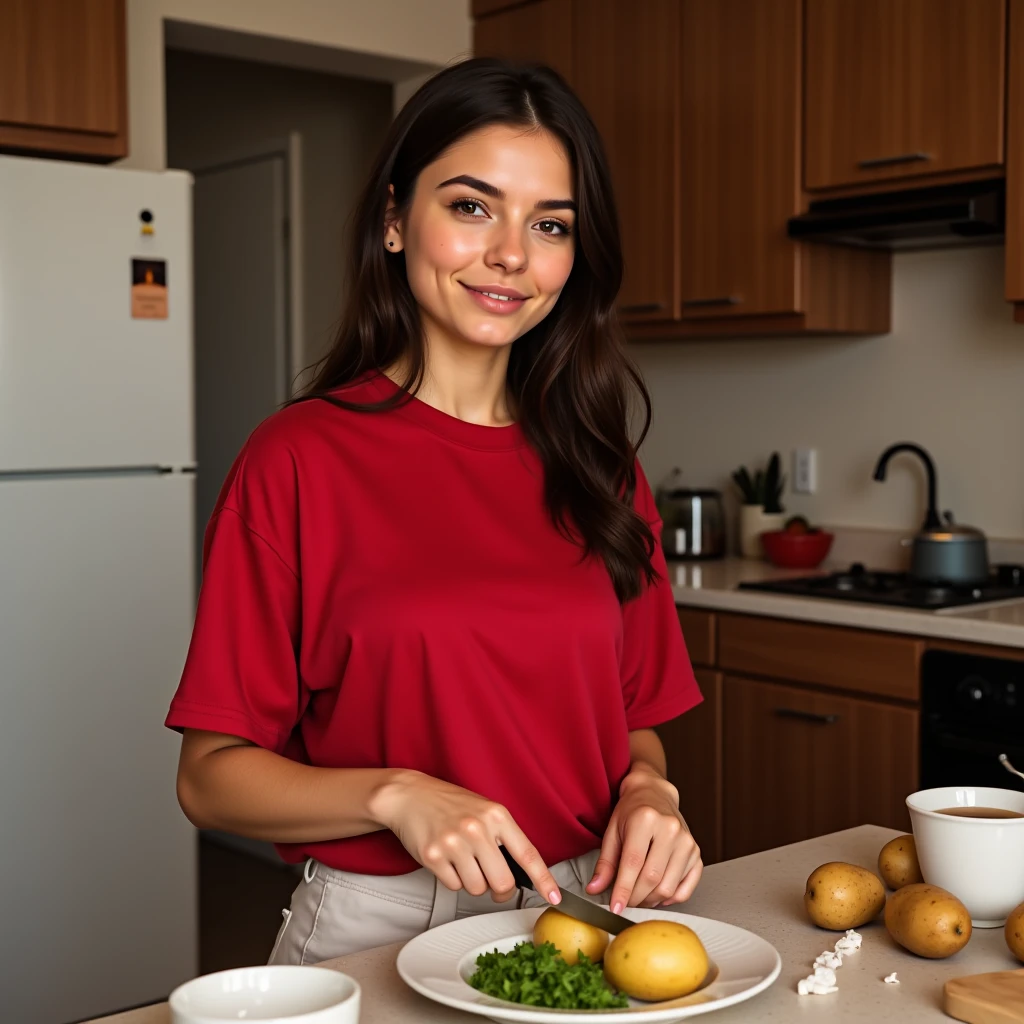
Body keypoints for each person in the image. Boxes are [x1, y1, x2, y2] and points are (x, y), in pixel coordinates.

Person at [165, 56, 704, 967]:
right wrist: (395, 795)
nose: (511, 255)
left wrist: (652, 790)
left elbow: (630, 720)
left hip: (582, 916)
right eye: (471, 206)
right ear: (392, 218)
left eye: (550, 224)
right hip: (378, 923)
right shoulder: (298, 458)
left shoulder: (601, 469)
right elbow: (211, 781)